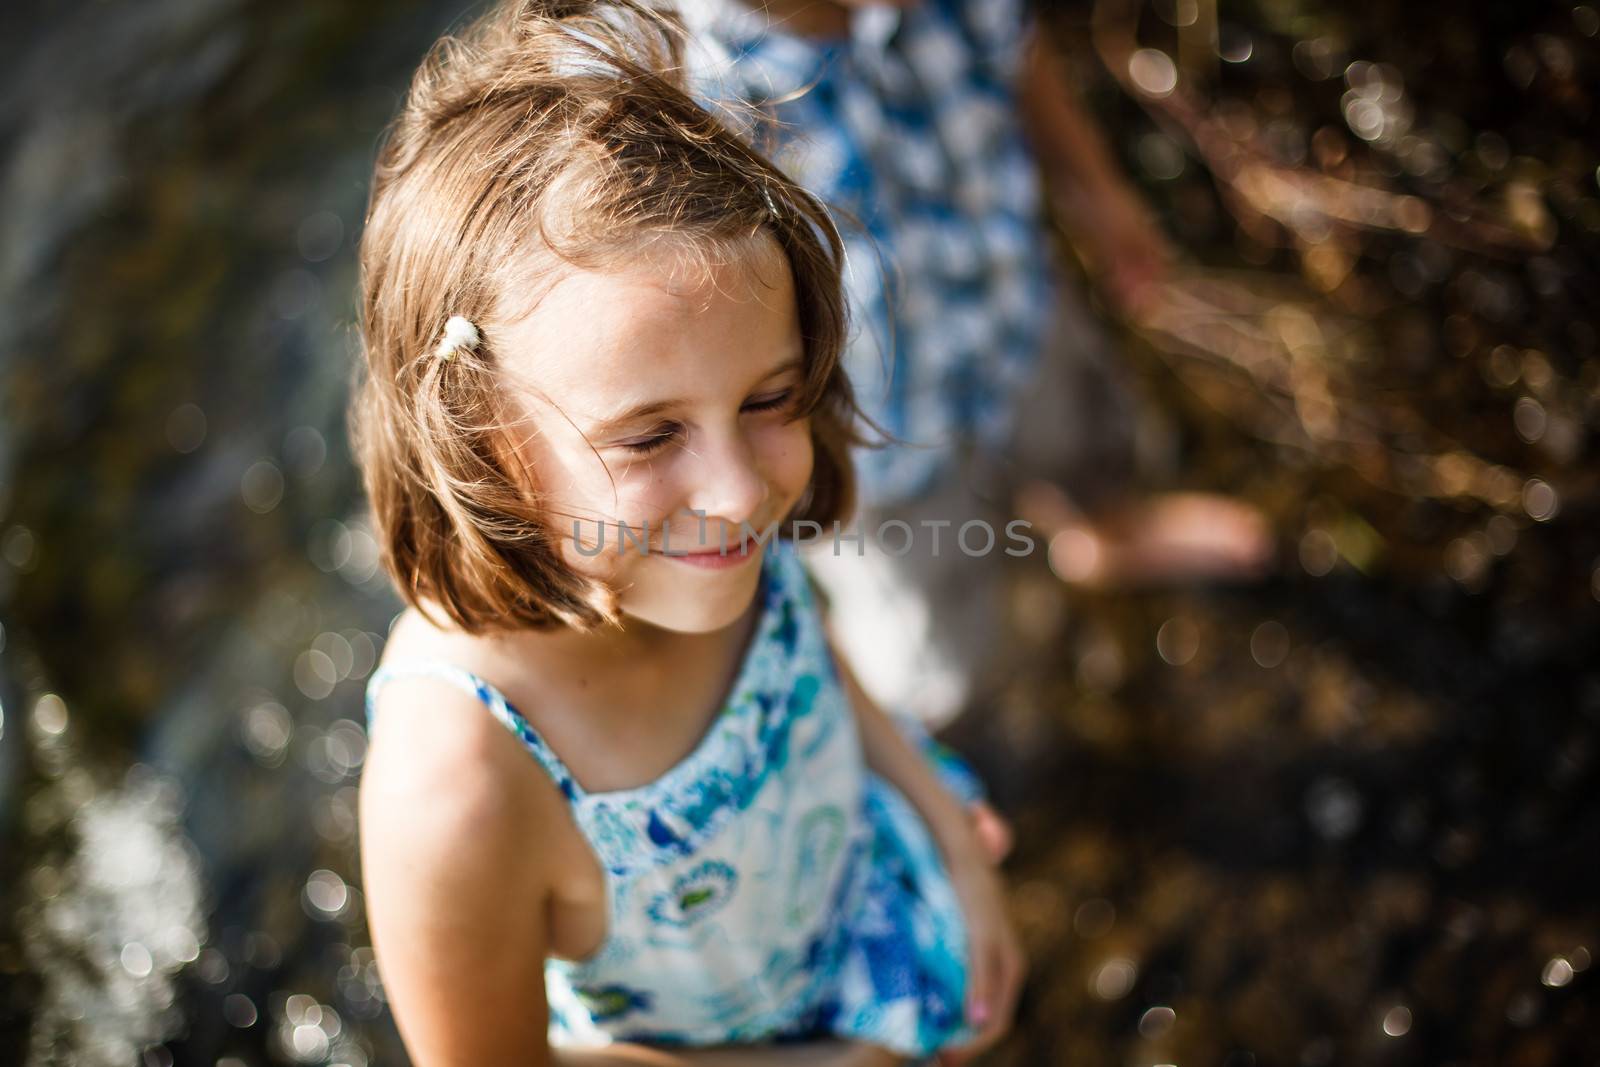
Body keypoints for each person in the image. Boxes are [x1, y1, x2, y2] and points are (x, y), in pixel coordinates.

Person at [349, 2, 1021, 1065]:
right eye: (651, 433)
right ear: (483, 446)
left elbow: (807, 653)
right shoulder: (460, 783)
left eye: (773, 395)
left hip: (870, 927)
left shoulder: (691, 543)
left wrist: (940, 819)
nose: (741, 486)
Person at [678, 0, 1273, 733]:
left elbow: (1019, 55)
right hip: (871, 436)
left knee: (1086, 441)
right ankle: (938, 736)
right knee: (938, 646)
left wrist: (1098, 191)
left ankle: (1101, 534)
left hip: (1013, 313)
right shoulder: (688, 77)